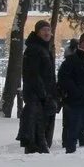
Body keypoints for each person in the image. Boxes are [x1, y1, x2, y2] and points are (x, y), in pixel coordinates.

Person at [18, 20, 56, 154]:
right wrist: (43, 94)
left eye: (48, 30)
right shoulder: (34, 49)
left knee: (43, 128)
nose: (47, 32)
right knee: (37, 129)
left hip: (45, 96)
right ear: (37, 32)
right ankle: (36, 153)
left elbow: (49, 75)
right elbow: (33, 75)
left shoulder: (45, 48)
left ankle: (39, 152)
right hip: (37, 96)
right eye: (44, 30)